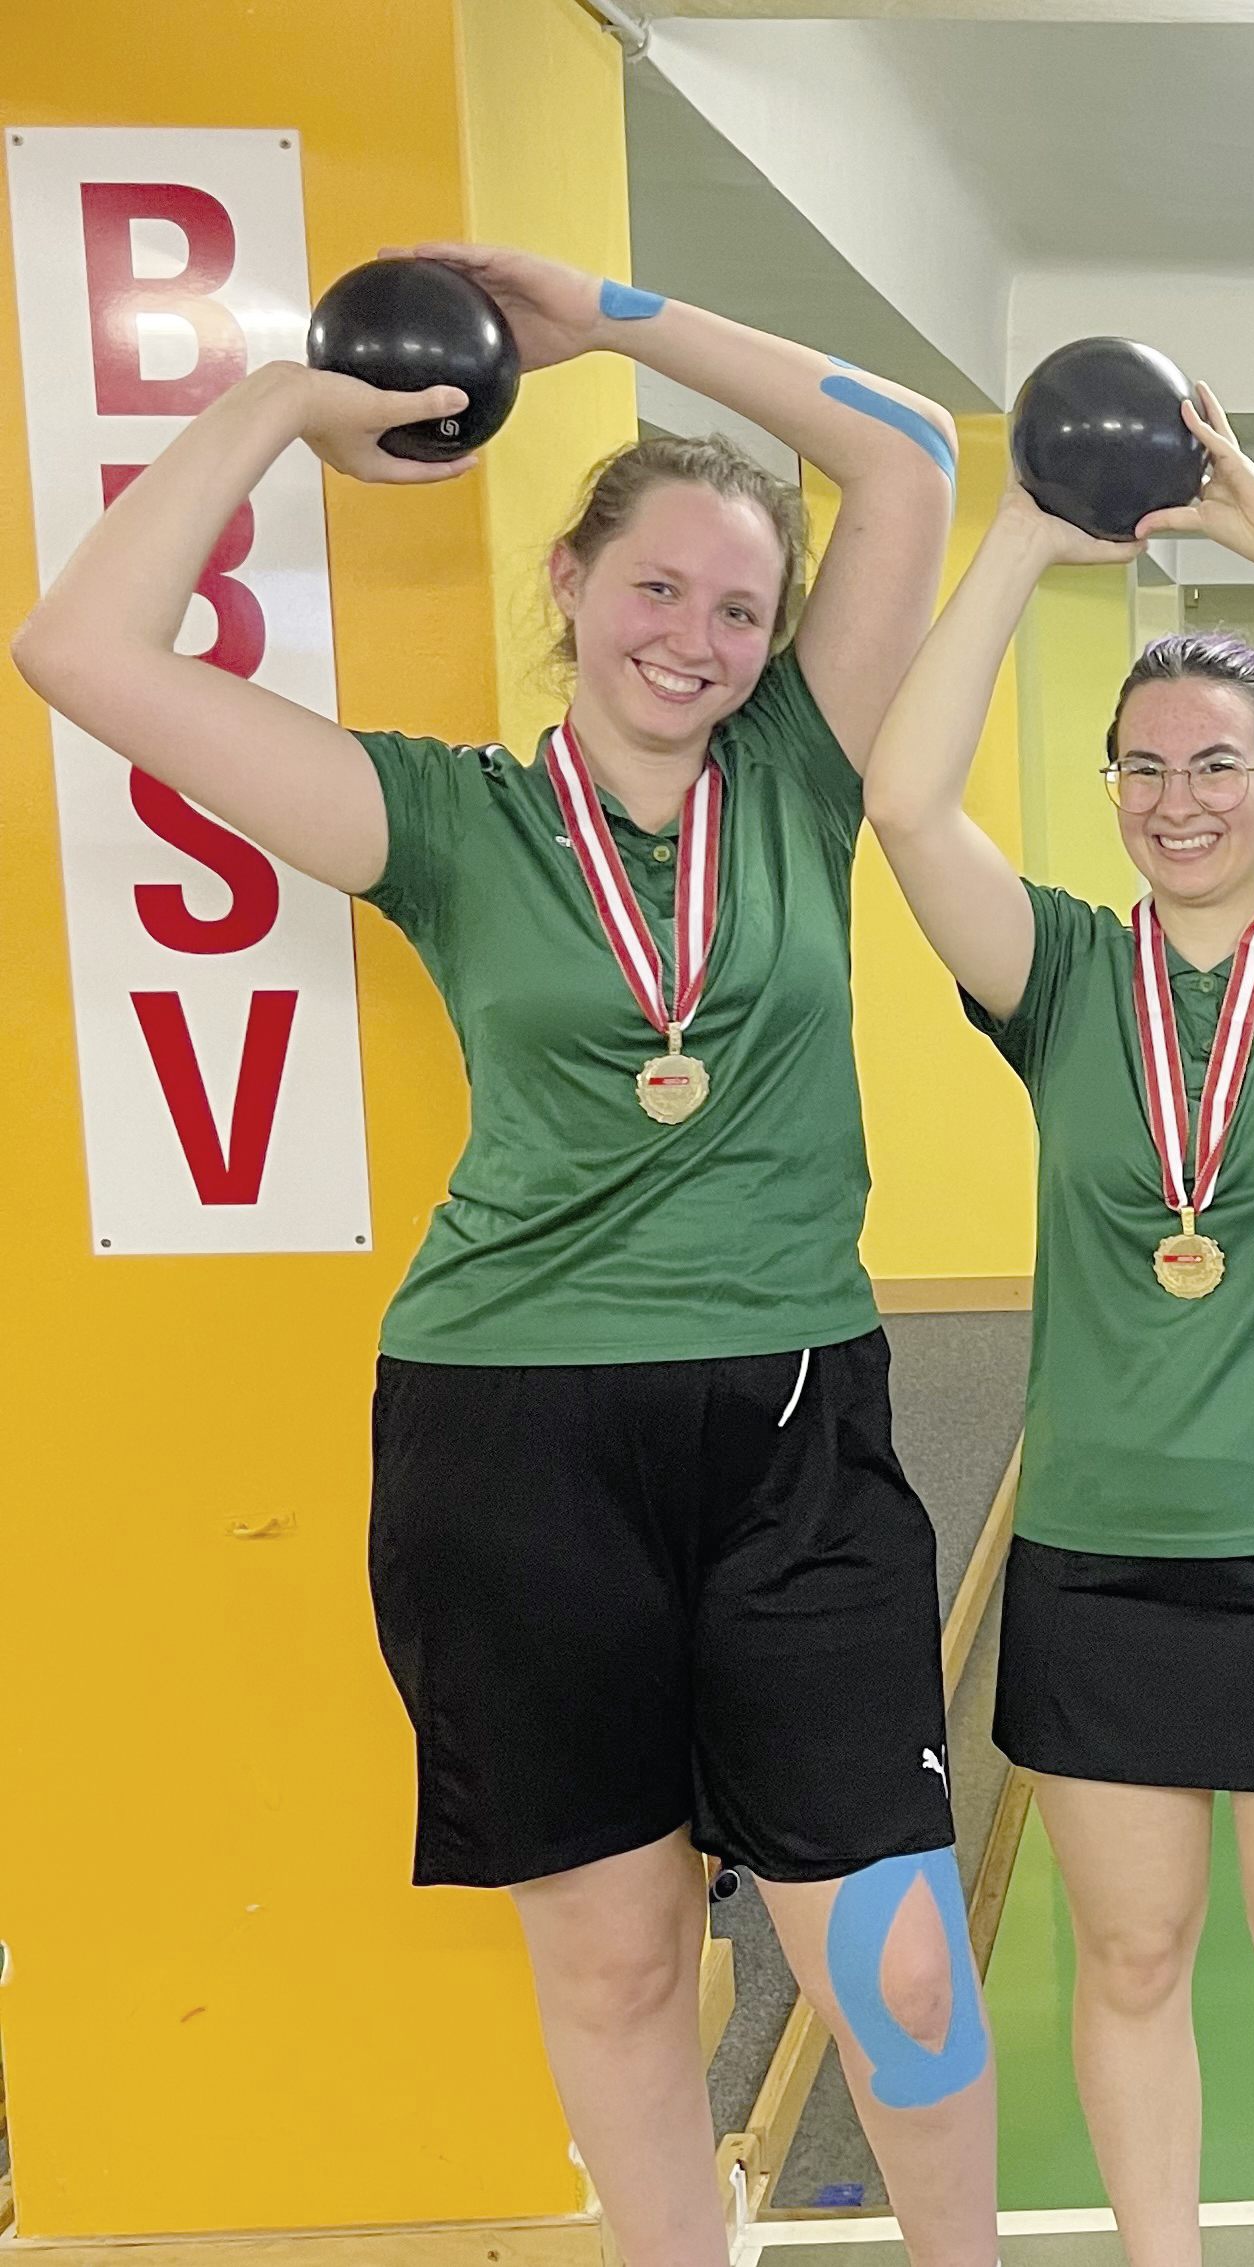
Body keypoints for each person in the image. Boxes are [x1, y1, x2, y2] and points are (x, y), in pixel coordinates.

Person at [14, 246, 993, 2267]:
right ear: (569, 583)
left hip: (796, 1422)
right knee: (622, 1963)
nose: (698, 637)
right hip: (509, 1440)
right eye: (659, 589)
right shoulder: (446, 820)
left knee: (892, 1959)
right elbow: (85, 651)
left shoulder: (802, 778)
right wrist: (283, 403)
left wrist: (618, 316)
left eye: (739, 606)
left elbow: (901, 459)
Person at [858, 385, 1254, 2267]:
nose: (1179, 798)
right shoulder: (1059, 974)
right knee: (1127, 1956)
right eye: (1144, 766)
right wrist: (1023, 545)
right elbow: (904, 798)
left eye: (1220, 763)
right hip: (1104, 1547)